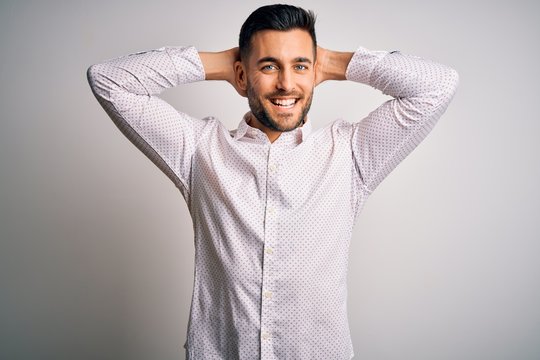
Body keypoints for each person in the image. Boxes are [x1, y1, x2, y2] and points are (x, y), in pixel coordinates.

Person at [87, 4, 459, 359]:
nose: (286, 84)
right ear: (242, 75)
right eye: (269, 67)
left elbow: (438, 85)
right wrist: (224, 64)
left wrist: (330, 62)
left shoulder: (349, 154)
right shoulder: (199, 151)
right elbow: (108, 80)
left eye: (299, 66)